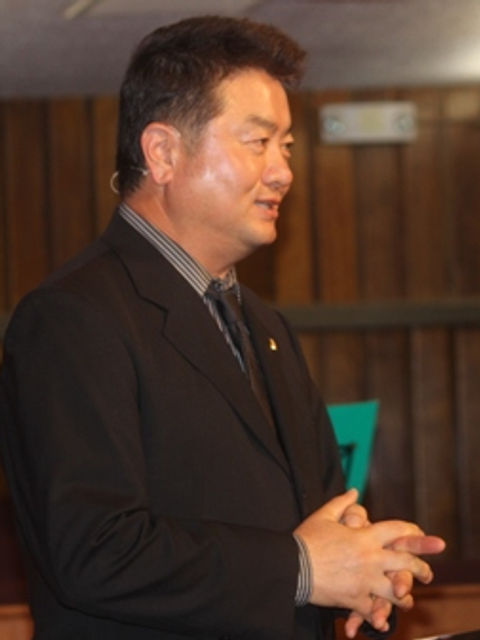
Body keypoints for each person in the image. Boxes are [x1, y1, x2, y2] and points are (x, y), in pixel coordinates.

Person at [0, 15, 445, 640]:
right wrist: (302, 570)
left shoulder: (266, 325)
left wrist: (362, 567)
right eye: (258, 141)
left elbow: (315, 520)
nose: (283, 171)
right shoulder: (72, 318)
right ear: (163, 153)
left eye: (286, 146)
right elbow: (93, 549)